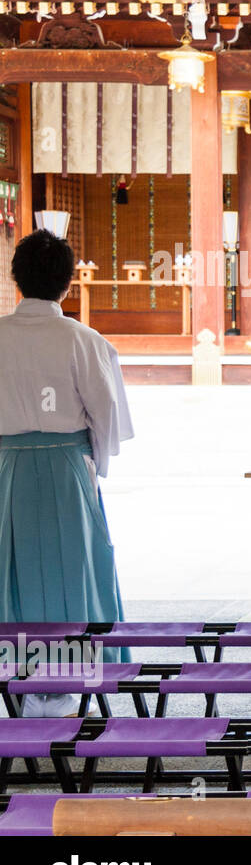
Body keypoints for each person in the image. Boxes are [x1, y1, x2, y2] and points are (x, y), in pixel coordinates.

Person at [0, 230, 134, 717]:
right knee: (74, 569)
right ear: (67, 283)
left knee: (9, 571)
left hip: (7, 467)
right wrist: (91, 464)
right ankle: (71, 682)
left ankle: (19, 683)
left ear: (17, 280)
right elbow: (109, 421)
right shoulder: (85, 340)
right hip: (65, 467)